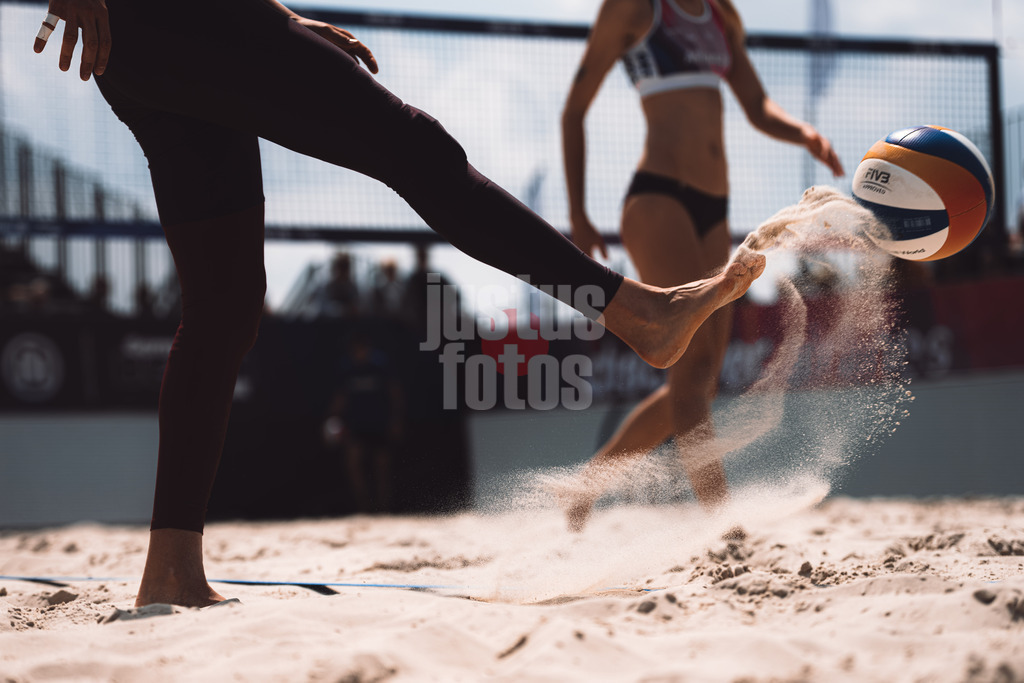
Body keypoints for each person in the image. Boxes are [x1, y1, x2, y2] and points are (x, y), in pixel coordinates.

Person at [33, 0, 765, 608]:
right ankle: (634, 310)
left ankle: (171, 571)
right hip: (178, 17)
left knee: (224, 306)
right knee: (412, 147)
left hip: (152, 42)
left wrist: (276, 17)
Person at [560, 0, 843, 531]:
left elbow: (757, 107)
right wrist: (577, 211)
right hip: (658, 198)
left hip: (714, 210)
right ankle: (722, 524)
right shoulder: (634, 8)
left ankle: (585, 489)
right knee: (690, 375)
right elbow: (574, 108)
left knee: (699, 381)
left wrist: (802, 133)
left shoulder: (721, 14)